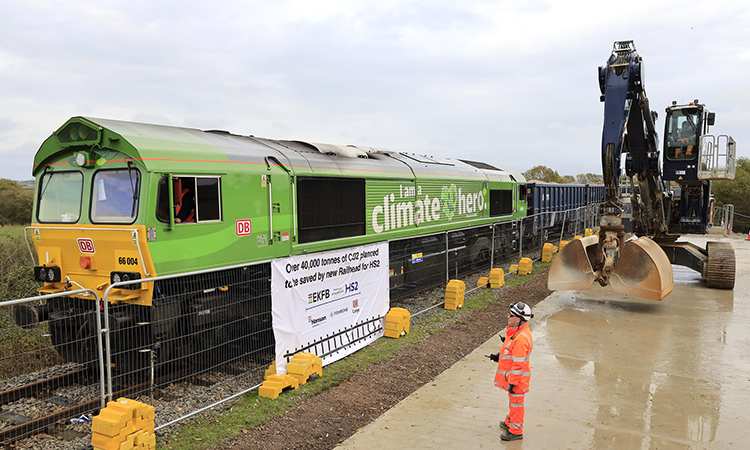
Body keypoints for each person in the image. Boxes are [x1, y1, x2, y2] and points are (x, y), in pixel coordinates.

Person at [488, 302, 534, 441]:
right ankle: (510, 422)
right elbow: (510, 352)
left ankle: (516, 431)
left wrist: (513, 383)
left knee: (516, 405)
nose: (508, 316)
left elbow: (519, 364)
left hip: (517, 380)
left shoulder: (520, 338)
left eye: (511, 315)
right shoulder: (516, 332)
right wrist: (499, 356)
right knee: (513, 403)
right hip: (515, 378)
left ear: (519, 319)